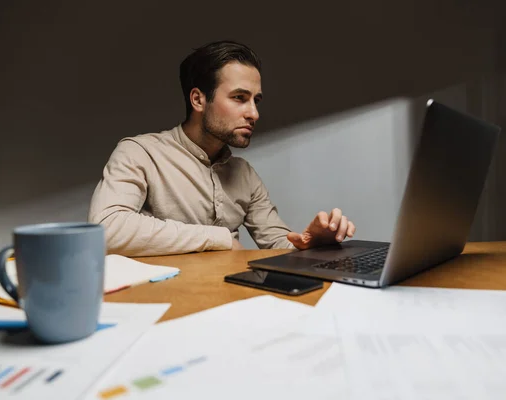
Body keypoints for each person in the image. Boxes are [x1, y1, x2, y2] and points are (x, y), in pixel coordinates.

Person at [88, 40, 356, 256]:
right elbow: (106, 229)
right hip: (164, 308)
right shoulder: (139, 153)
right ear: (198, 100)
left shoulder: (244, 173)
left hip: (233, 302)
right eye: (239, 98)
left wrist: (312, 244)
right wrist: (220, 238)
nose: (254, 113)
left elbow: (279, 246)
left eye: (256, 101)